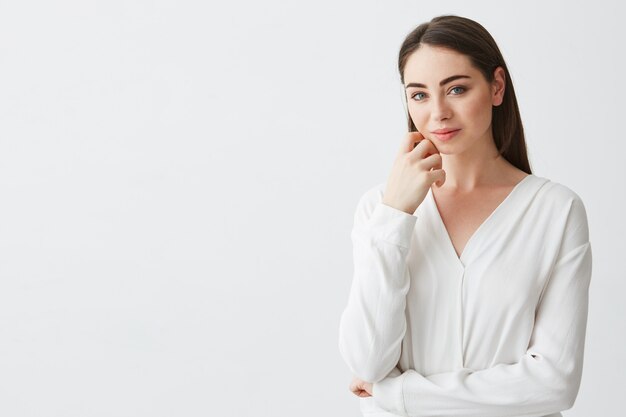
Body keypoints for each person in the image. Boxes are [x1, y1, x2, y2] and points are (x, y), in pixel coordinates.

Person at [338, 15, 592, 417]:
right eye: (419, 95)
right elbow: (367, 361)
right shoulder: (379, 209)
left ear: (496, 86)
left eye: (456, 89)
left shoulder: (556, 211)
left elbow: (554, 384)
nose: (438, 112)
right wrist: (395, 215)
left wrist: (399, 394)